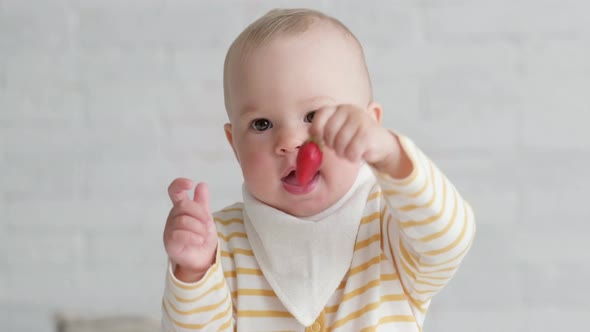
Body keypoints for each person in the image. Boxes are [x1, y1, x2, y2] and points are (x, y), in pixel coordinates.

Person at [161, 8, 475, 332]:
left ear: (370, 125)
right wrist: (193, 275)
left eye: (312, 116)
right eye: (262, 124)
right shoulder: (221, 243)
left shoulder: (390, 224)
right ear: (234, 144)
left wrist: (392, 156)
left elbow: (448, 240)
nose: (289, 141)